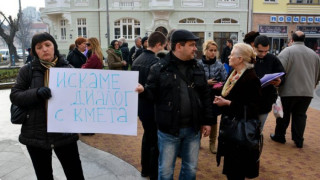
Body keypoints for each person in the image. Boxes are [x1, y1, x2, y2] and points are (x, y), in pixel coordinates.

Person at [136, 29, 214, 180]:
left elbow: (205, 96)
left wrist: (207, 121)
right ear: (179, 46)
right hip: (168, 130)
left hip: (193, 129)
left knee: (190, 168)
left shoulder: (197, 68)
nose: (195, 49)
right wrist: (144, 90)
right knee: (165, 171)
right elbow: (152, 94)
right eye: (191, 45)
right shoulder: (159, 68)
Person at [10, 32, 85, 180]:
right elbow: (15, 95)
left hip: (64, 135)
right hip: (35, 135)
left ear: (54, 47)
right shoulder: (27, 70)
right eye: (39, 47)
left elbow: (81, 98)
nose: (44, 49)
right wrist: (36, 93)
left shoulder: (68, 69)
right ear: (34, 51)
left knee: (75, 174)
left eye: (47, 45)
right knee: (44, 176)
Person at [214, 43, 262, 180]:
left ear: (240, 59)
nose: (229, 56)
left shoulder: (251, 78)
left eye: (232, 54)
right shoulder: (234, 74)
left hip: (241, 132)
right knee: (231, 169)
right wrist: (221, 98)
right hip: (231, 129)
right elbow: (229, 94)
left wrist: (228, 103)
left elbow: (253, 107)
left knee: (237, 170)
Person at [270, 31, 320, 148]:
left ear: (292, 39)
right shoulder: (313, 54)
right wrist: (313, 85)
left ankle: (280, 136)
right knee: (300, 115)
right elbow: (318, 74)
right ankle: (299, 140)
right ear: (304, 39)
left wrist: (277, 85)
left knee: (284, 115)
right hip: (307, 92)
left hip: (289, 90)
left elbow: (279, 70)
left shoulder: (287, 51)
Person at [131, 31, 167, 180]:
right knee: (154, 140)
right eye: (163, 46)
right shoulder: (156, 62)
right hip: (153, 106)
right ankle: (152, 172)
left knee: (147, 137)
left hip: (141, 105)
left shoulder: (137, 59)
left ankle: (145, 168)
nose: (164, 48)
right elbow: (158, 88)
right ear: (158, 44)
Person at [198, 40, 227, 154]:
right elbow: (195, 81)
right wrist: (206, 82)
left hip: (214, 96)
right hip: (201, 95)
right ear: (205, 51)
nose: (213, 53)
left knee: (214, 120)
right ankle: (198, 141)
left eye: (215, 51)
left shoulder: (219, 65)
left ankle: (212, 143)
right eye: (210, 50)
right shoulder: (199, 64)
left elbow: (225, 80)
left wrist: (218, 85)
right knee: (200, 118)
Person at [253, 35, 285, 131]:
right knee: (248, 128)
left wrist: (279, 81)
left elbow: (282, 74)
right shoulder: (248, 58)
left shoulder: (272, 59)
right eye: (260, 51)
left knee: (259, 129)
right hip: (249, 101)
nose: (263, 54)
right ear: (254, 47)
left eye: (266, 51)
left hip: (265, 101)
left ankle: (256, 144)